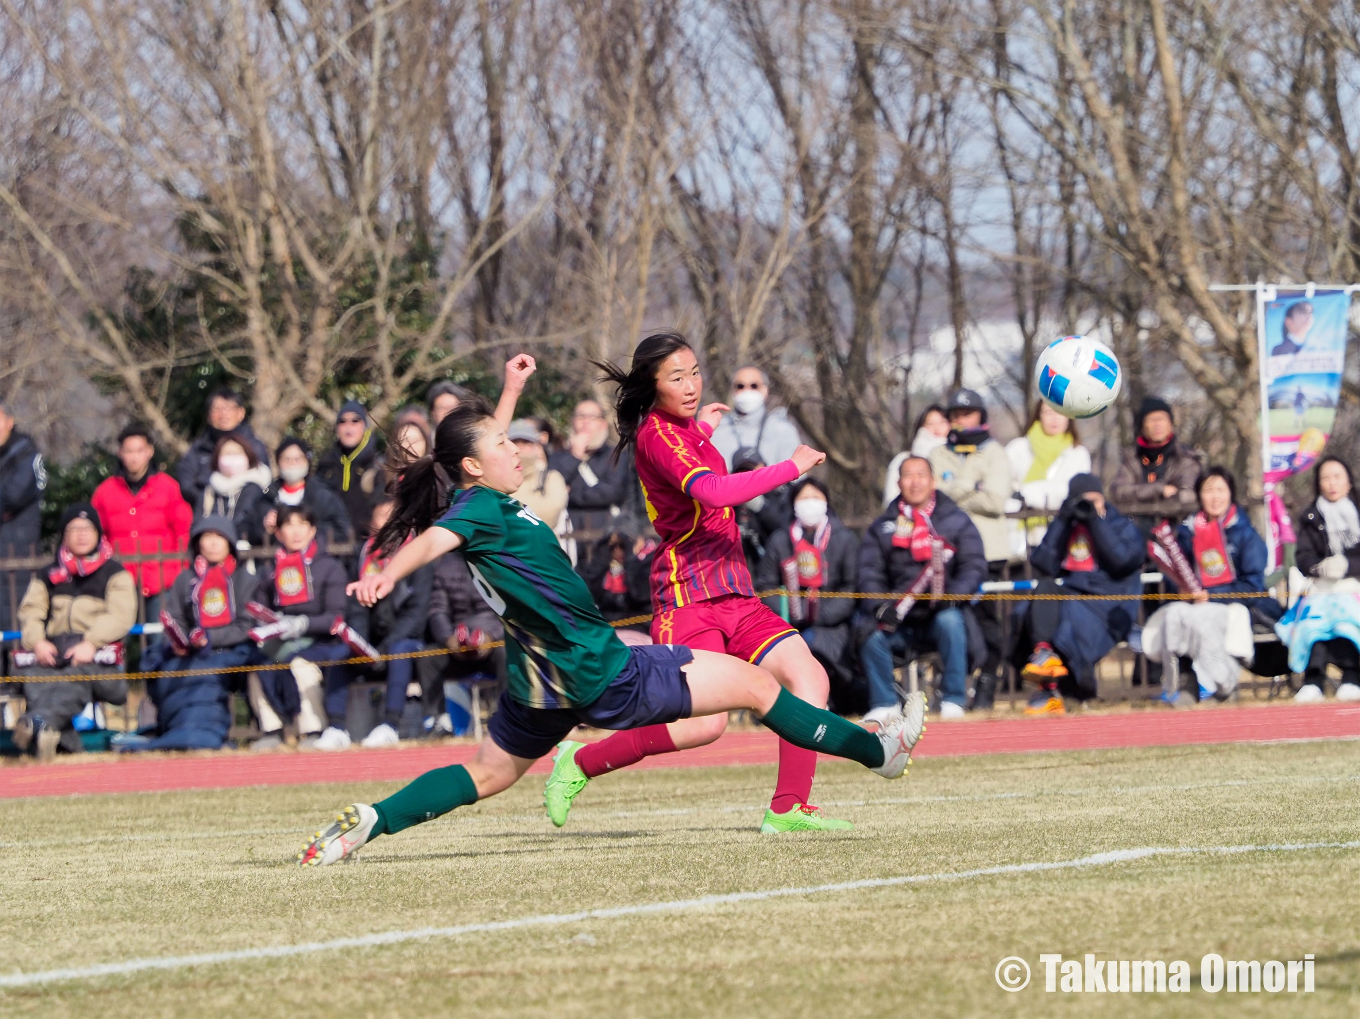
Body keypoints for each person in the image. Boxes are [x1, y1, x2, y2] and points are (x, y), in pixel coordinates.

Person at [296, 356, 924, 866]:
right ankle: (879, 753)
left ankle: (373, 820)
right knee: (760, 687)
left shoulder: (478, 493)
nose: (517, 450)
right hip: (596, 669)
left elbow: (477, 453)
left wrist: (511, 389)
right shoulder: (477, 509)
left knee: (487, 775)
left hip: (540, 682)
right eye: (504, 444)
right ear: (473, 466)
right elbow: (435, 540)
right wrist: (384, 573)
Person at [546, 334, 861, 834]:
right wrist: (789, 469)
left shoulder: (685, 428)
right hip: (687, 595)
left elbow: (691, 464)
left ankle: (788, 808)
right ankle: (579, 761)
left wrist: (705, 428)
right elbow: (711, 492)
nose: (692, 385)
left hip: (735, 589)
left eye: (694, 372)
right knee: (703, 725)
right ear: (652, 385)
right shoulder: (656, 435)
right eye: (677, 377)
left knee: (809, 678)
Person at [858, 456, 987, 724]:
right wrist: (880, 606)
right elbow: (868, 573)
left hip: (941, 615)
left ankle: (954, 700)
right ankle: (884, 703)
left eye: (921, 475)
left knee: (951, 621)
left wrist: (953, 597)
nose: (915, 482)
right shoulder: (882, 526)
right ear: (898, 483)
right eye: (908, 476)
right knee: (869, 632)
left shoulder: (956, 520)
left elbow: (974, 566)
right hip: (898, 620)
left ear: (933, 481)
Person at [1142, 467, 1279, 704]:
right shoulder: (1187, 532)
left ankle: (1225, 683)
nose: (1215, 497)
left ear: (1230, 493)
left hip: (1239, 605)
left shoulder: (1245, 535)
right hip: (1196, 603)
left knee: (1204, 618)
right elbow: (1177, 573)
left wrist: (1211, 595)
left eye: (1220, 490)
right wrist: (1181, 590)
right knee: (1174, 615)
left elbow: (1253, 586)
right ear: (1199, 495)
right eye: (1208, 490)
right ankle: (1185, 682)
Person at [1011, 475, 1144, 714]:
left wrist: (1094, 522)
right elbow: (1044, 563)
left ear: (1103, 499)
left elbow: (1122, 561)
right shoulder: (1069, 525)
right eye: (1083, 502)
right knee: (1037, 599)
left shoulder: (1120, 525)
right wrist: (1063, 520)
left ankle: (1065, 687)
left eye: (1095, 501)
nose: (1090, 507)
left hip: (1109, 605)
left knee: (1062, 620)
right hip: (1073, 597)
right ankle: (1044, 659)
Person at [12, 505, 133, 760]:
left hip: (99, 660)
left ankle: (36, 722)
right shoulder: (48, 575)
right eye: (74, 529)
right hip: (54, 655)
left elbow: (121, 617)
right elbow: (30, 612)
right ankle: (58, 741)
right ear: (64, 535)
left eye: (87, 528)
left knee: (74, 677)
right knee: (35, 677)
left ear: (98, 533)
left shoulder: (115, 573)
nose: (81, 534)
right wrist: (38, 642)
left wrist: (90, 643)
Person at [126, 517, 257, 751]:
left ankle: (202, 735)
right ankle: (176, 730)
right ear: (198, 543)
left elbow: (246, 625)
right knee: (168, 669)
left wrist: (210, 638)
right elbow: (175, 617)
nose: (213, 543)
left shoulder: (244, 580)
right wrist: (180, 641)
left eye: (220, 537)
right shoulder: (185, 579)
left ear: (230, 543)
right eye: (208, 537)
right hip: (190, 651)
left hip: (230, 650)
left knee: (205, 675)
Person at [248, 505, 352, 751]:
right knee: (257, 667)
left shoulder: (329, 567)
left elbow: (335, 616)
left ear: (312, 530)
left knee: (300, 665)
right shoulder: (270, 569)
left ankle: (312, 728)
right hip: (280, 640)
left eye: (302, 524)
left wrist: (303, 623)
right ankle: (272, 729)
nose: (296, 532)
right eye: (289, 525)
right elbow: (259, 607)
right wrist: (269, 622)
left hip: (320, 641)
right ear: (278, 532)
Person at [757, 478, 864, 715]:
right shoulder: (780, 540)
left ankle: (823, 700)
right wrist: (789, 613)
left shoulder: (844, 539)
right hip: (787, 622)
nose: (810, 504)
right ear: (794, 504)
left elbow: (851, 588)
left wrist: (821, 615)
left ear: (826, 502)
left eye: (816, 498)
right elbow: (766, 586)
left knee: (813, 645)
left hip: (832, 624)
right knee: (790, 647)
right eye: (804, 498)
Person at [929, 389, 1013, 683]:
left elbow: (995, 501)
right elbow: (933, 500)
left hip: (989, 552)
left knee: (988, 620)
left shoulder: (995, 453)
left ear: (981, 416)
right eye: (956, 414)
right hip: (946, 553)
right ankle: (953, 683)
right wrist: (973, 486)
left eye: (968, 413)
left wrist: (952, 488)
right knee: (951, 617)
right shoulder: (937, 454)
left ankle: (988, 681)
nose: (961, 419)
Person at [346, 499, 435, 747]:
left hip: (409, 641)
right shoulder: (362, 556)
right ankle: (335, 727)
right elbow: (356, 606)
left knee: (399, 650)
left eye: (393, 515)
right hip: (372, 642)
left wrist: (385, 648)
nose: (387, 522)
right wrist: (362, 645)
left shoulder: (418, 556)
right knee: (340, 654)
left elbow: (417, 613)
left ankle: (390, 724)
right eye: (381, 516)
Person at [90, 425, 192, 633]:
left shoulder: (168, 487)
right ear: (120, 453)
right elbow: (96, 535)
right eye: (129, 451)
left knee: (162, 636)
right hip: (120, 579)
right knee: (115, 637)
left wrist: (179, 568)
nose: (134, 457)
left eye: (139, 451)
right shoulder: (105, 492)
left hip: (162, 578)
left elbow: (183, 530)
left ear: (150, 452)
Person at [1278, 456, 1360, 703]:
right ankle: (1313, 679)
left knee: (1347, 619)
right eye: (1325, 478)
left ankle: (1352, 677)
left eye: (1337, 477)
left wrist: (1347, 566)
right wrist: (1319, 567)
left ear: (1348, 481)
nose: (1332, 483)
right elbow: (1303, 557)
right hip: (1321, 589)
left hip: (1354, 587)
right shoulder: (1311, 516)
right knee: (1315, 623)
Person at [427, 540, 507, 730]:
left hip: (492, 642)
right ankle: (437, 721)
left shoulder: (498, 561)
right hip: (457, 646)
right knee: (427, 658)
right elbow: (437, 611)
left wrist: (490, 637)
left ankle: (509, 715)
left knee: (507, 653)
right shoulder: (444, 566)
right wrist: (449, 639)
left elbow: (508, 611)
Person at [1110, 397, 1204, 537]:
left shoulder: (1186, 458)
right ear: (1142, 427)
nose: (1157, 424)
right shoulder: (1131, 459)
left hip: (1177, 533)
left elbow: (1187, 496)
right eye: (1151, 420)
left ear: (1170, 424)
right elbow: (1119, 492)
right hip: (1135, 533)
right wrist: (1159, 489)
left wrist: (1140, 499)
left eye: (1161, 419)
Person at [1006, 401, 1092, 549]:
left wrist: (1026, 493)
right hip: (1019, 534)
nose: (1054, 418)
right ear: (1038, 415)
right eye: (1048, 412)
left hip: (1062, 535)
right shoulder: (1018, 448)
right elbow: (1005, 488)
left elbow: (1074, 493)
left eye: (1060, 412)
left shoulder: (1078, 453)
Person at [547, 399, 636, 538]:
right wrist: (574, 457)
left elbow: (612, 493)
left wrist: (569, 494)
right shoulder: (558, 457)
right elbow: (551, 490)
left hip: (607, 533)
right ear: (572, 422)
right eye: (581, 416)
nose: (586, 422)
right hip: (568, 533)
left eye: (592, 417)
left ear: (603, 424)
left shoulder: (616, 455)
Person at [175, 388, 270, 506]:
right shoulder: (199, 448)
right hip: (207, 510)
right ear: (209, 415)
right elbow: (186, 483)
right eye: (217, 409)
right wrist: (207, 499)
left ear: (241, 413)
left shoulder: (255, 447)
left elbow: (263, 483)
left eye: (229, 408)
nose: (223, 414)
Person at [259, 437, 353, 548]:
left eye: (297, 459)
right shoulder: (268, 497)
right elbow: (252, 534)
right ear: (278, 462)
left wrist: (308, 529)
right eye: (287, 459)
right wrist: (268, 527)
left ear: (307, 461)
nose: (292, 463)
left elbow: (343, 531)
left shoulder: (324, 496)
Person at [0, 401, 45, 629]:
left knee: (17, 624)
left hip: (18, 551)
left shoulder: (26, 453)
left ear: (10, 421)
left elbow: (13, 496)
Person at [710, 365, 802, 472]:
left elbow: (796, 475)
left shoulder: (783, 430)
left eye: (754, 386)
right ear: (732, 390)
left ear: (765, 390)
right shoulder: (716, 430)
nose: (747, 390)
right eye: (740, 386)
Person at [316, 400, 383, 538]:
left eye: (355, 421)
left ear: (364, 425)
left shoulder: (377, 463)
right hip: (332, 540)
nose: (348, 427)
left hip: (367, 539)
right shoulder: (326, 463)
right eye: (343, 421)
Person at [579, 526, 655, 640]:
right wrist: (602, 556)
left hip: (641, 631)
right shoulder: (605, 569)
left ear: (640, 541)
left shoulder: (651, 561)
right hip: (609, 632)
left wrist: (630, 557)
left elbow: (640, 594)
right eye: (614, 546)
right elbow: (587, 598)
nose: (618, 550)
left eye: (623, 546)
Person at [199, 435, 271, 548]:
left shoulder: (256, 489)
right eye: (227, 454)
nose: (232, 458)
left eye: (237, 453)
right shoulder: (210, 490)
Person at [507, 418, 570, 546]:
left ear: (536, 446)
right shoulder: (499, 478)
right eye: (515, 442)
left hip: (543, 547)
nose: (520, 447)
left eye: (525, 442)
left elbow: (551, 512)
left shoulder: (551, 477)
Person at [732, 446, 792, 576]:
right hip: (740, 572)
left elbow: (786, 528)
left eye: (753, 469)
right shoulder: (731, 502)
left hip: (774, 572)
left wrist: (761, 507)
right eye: (743, 471)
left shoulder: (782, 492)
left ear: (763, 465)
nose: (749, 475)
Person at [883, 405, 950, 506]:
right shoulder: (903, 459)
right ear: (921, 427)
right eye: (930, 423)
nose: (937, 428)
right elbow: (891, 497)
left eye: (942, 422)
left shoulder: (959, 456)